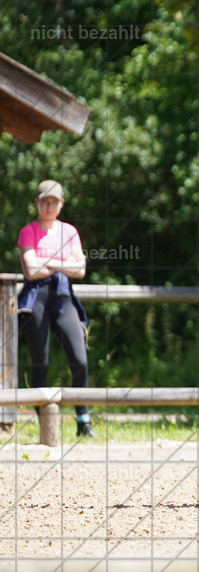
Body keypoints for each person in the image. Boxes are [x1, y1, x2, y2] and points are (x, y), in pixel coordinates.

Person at [17, 180, 95, 438]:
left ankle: (83, 420)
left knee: (79, 358)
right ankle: (44, 424)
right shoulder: (28, 231)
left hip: (63, 295)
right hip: (35, 297)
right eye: (44, 201)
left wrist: (46, 262)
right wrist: (63, 261)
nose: (49, 206)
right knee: (41, 360)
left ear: (61, 204)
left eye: (54, 201)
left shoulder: (69, 232)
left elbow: (81, 270)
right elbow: (30, 270)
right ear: (37, 203)